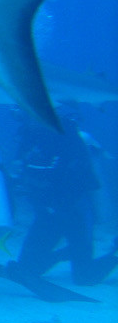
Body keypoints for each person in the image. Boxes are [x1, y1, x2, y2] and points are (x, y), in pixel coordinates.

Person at [7, 115, 118, 289]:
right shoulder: (29, 137)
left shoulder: (68, 138)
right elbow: (21, 169)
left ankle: (114, 255)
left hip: (75, 213)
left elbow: (78, 179)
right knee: (27, 270)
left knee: (85, 278)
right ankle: (67, 252)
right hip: (46, 213)